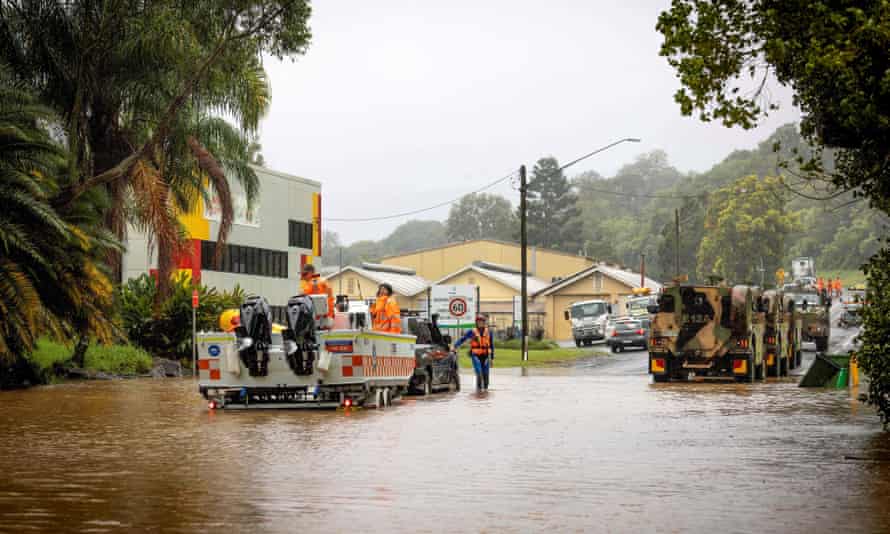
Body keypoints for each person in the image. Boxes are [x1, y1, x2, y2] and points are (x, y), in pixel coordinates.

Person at [453, 314, 495, 390]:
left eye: (482, 322)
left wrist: (492, 358)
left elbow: (491, 345)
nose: (480, 323)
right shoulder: (472, 331)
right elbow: (463, 339)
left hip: (486, 356)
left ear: (484, 322)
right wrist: (455, 346)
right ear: (476, 323)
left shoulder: (489, 332)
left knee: (486, 374)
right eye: (478, 322)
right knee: (479, 373)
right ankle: (478, 390)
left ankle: (485, 389)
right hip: (475, 355)